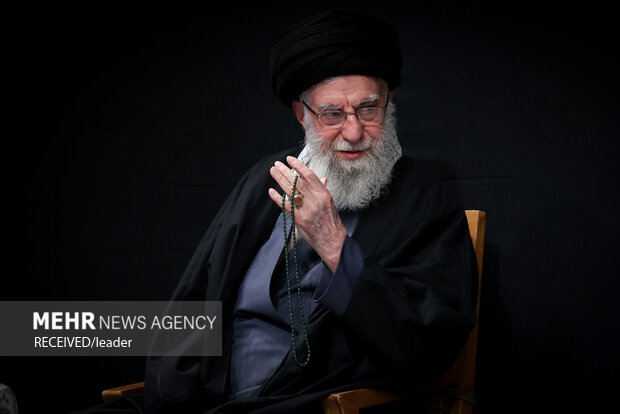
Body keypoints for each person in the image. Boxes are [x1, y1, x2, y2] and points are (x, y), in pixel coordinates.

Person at [72, 9, 478, 414]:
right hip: (203, 399)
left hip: (299, 404)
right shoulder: (267, 178)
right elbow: (198, 299)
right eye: (332, 114)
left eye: (369, 109)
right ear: (302, 115)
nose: (354, 132)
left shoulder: (425, 203)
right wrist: (171, 392)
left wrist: (334, 244)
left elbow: (427, 348)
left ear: (390, 103)